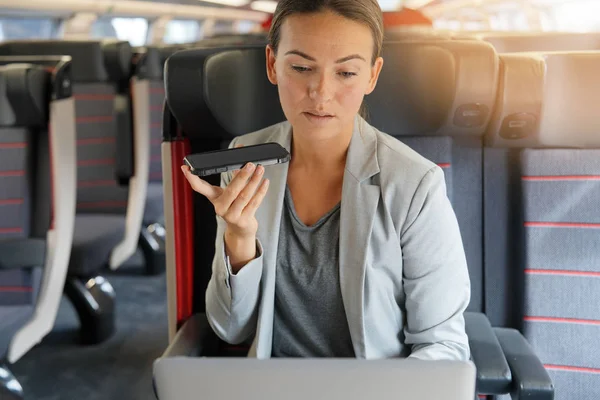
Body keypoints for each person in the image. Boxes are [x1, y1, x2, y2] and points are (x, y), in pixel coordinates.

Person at [181, 0, 471, 360]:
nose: (321, 93)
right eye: (301, 67)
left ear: (372, 75)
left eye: (346, 73)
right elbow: (231, 328)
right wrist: (238, 238)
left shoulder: (415, 185)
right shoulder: (246, 156)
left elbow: (443, 345)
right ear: (272, 64)